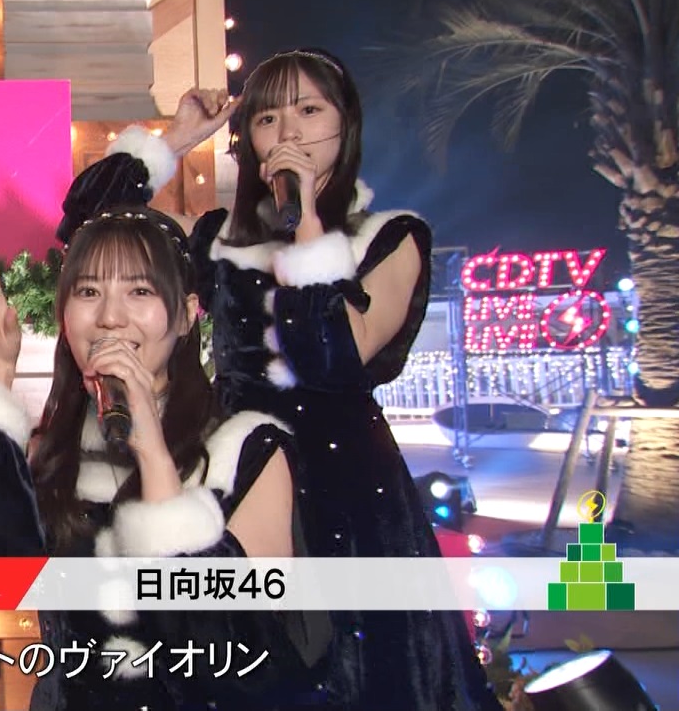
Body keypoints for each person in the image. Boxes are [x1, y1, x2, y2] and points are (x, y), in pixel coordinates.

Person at [0, 103, 329, 709]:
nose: (110, 316)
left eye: (139, 291)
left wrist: (155, 458)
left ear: (187, 315)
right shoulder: (45, 450)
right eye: (88, 291)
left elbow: (251, 656)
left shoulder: (246, 449)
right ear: (64, 316)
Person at [171, 47, 501, 710]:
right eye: (267, 118)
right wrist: (178, 139)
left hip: (346, 491)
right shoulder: (218, 239)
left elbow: (330, 358)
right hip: (238, 474)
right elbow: (97, 228)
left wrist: (308, 229)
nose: (288, 132)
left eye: (309, 110)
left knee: (364, 674)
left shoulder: (390, 237)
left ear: (345, 124)